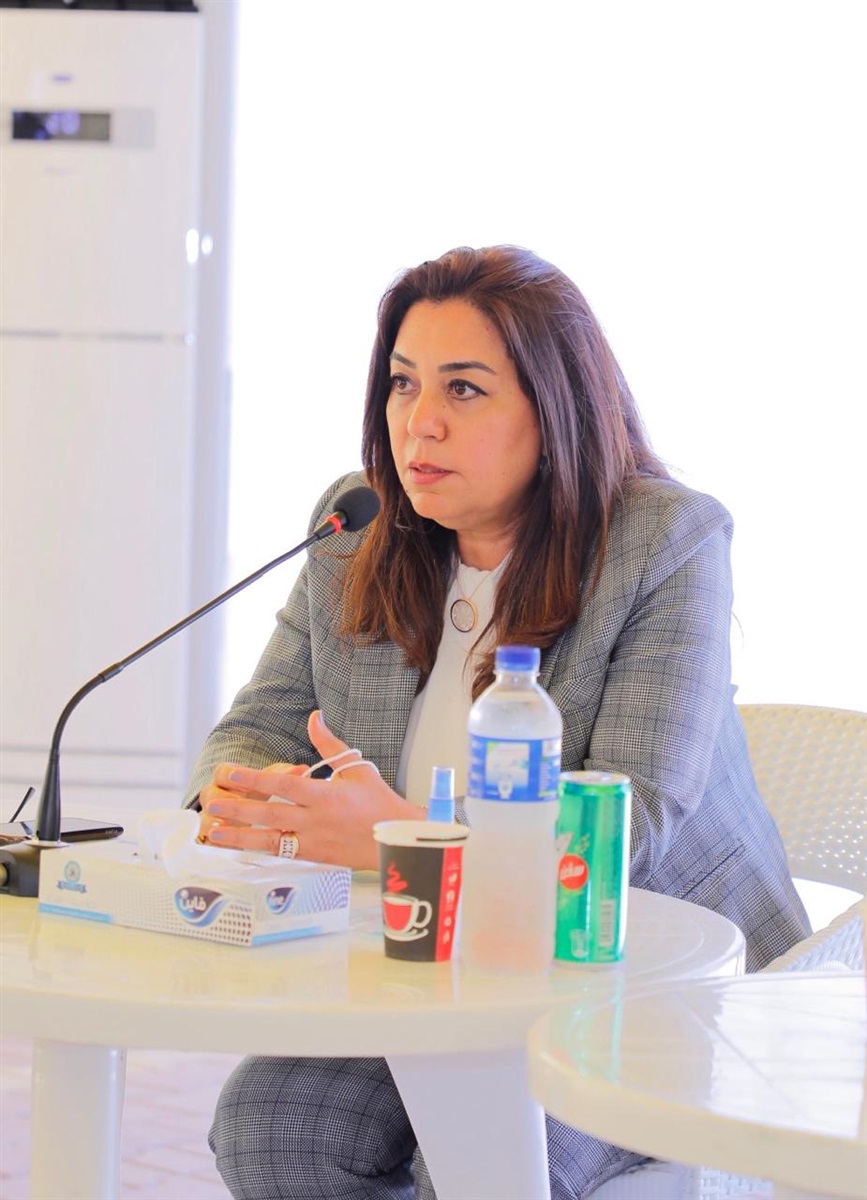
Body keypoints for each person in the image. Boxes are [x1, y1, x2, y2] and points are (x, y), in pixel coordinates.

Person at [184, 245, 811, 1200]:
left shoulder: (665, 541)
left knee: (475, 1156)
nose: (419, 422)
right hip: (429, 963)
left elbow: (628, 827)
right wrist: (251, 801)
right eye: (402, 383)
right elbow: (258, 728)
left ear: (555, 414)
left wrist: (394, 841)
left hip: (645, 978)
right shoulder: (358, 527)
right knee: (273, 1134)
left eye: (464, 389)